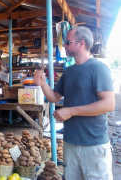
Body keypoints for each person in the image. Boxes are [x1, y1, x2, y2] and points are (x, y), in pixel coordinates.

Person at [34, 26, 115, 180]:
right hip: (70, 142)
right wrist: (42, 84)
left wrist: (70, 111)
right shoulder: (69, 71)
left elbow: (108, 104)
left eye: (68, 42)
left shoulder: (99, 68)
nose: (64, 45)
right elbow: (54, 97)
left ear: (81, 43)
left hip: (93, 144)